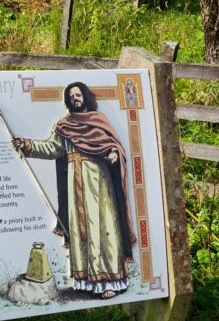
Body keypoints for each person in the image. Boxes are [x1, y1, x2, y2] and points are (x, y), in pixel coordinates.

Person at [12, 82, 137, 298]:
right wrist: (26, 144)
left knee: (102, 228)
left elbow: (113, 146)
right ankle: (86, 281)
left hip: (98, 182)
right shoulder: (64, 126)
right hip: (75, 185)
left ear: (85, 97)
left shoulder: (99, 122)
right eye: (71, 97)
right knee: (80, 229)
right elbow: (51, 148)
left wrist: (114, 155)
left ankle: (108, 282)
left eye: (78, 95)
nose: (75, 99)